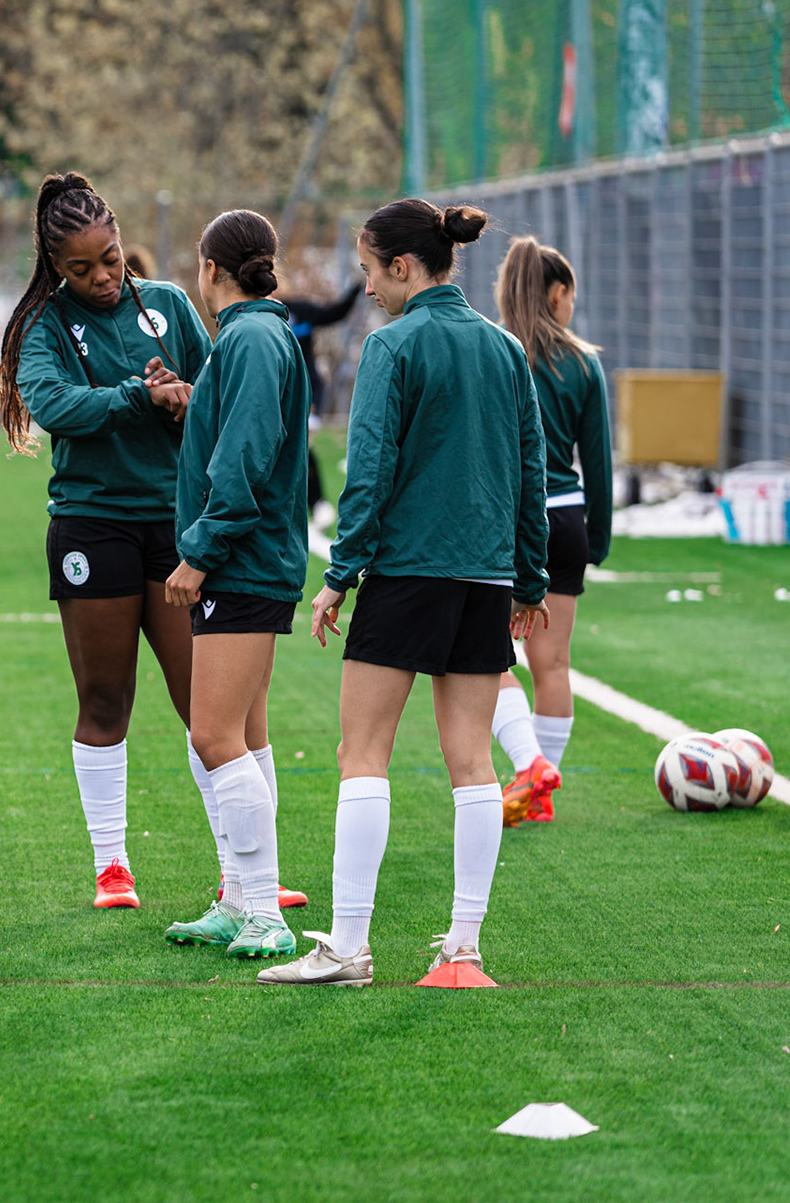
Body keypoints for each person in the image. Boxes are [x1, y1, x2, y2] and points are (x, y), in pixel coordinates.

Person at [259, 198, 549, 989]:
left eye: (366, 270)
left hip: (409, 574)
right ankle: (463, 951)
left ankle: (349, 948)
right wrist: (529, 579)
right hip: (485, 580)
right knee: (473, 766)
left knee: (363, 755)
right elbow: (533, 470)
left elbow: (372, 471)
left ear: (401, 266)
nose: (366, 287)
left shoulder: (394, 345)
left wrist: (339, 576)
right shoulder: (503, 348)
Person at [0, 173, 212, 910]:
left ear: (123, 242)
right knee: (104, 697)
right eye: (81, 268)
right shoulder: (45, 325)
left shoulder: (172, 306)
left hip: (176, 526)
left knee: (205, 703)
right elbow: (54, 405)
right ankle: (111, 865)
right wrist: (138, 394)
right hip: (92, 525)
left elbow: (219, 402)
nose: (101, 277)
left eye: (111, 259)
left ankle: (242, 869)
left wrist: (186, 399)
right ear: (55, 266)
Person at [160, 210, 309, 959]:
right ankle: (239, 898)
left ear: (209, 268)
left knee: (213, 735)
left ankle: (266, 913)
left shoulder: (250, 336)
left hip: (242, 562)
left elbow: (246, 459)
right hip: (252, 560)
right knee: (241, 737)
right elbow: (240, 431)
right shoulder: (255, 336)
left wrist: (201, 551)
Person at [488, 236, 612, 825]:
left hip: (502, 521)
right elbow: (600, 462)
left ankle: (531, 764)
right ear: (558, 293)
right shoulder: (584, 362)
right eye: (571, 297)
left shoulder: (491, 350)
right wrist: (600, 539)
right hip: (565, 520)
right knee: (553, 664)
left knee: (480, 658)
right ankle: (541, 795)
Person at [280, 280, 363, 514]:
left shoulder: (298, 310)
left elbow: (334, 313)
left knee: (303, 445)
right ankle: (310, 503)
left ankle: (316, 503)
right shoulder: (254, 316)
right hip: (277, 393)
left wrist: (355, 289)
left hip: (307, 391)